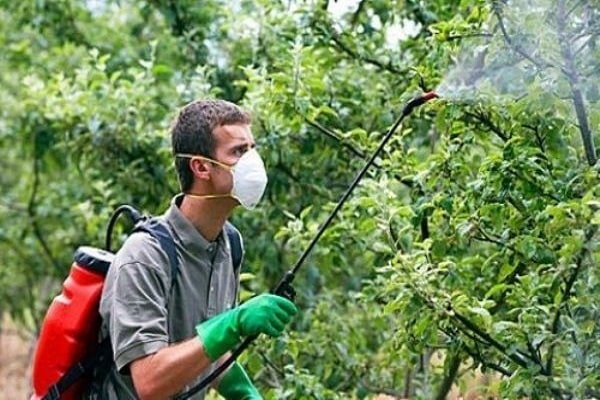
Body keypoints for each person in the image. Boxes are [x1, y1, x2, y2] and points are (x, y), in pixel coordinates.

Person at [95, 99, 297, 399]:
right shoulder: (144, 256)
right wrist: (234, 322)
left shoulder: (230, 244)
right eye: (239, 151)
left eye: (252, 148)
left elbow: (204, 350)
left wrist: (244, 393)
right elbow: (149, 382)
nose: (253, 161)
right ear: (201, 167)